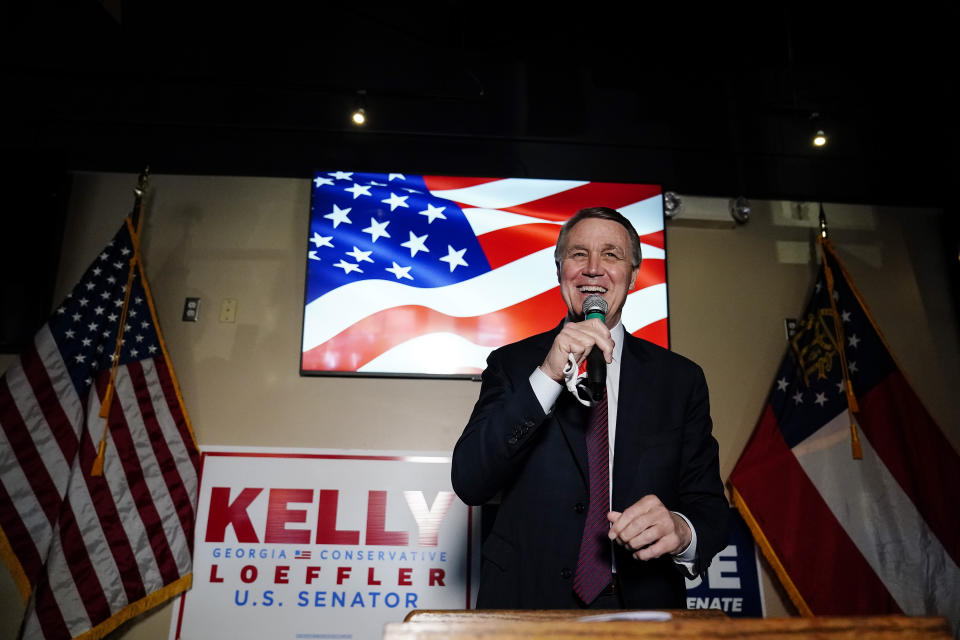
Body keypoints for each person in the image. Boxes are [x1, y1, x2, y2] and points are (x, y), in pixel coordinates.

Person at [451, 206, 729, 609]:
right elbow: (471, 479)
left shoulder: (680, 380)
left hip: (641, 609)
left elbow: (709, 508)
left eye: (611, 255)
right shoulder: (511, 365)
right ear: (560, 269)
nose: (593, 269)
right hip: (527, 608)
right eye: (579, 254)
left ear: (634, 274)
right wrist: (547, 373)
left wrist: (680, 531)